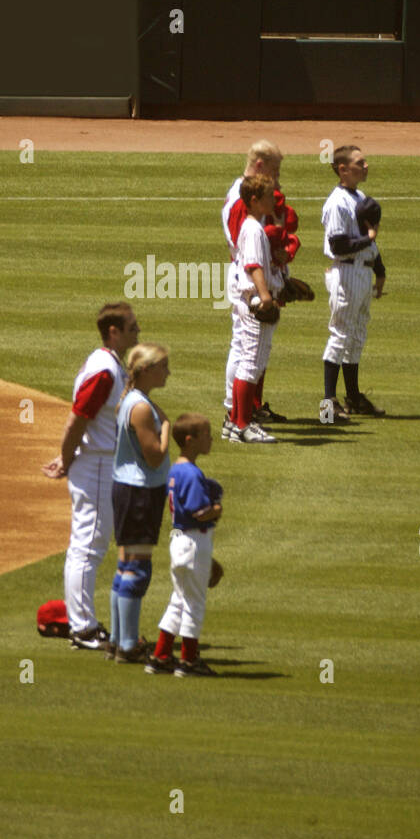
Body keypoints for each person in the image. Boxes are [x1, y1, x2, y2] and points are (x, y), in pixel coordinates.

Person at [41, 302, 140, 651]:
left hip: (97, 462)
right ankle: (82, 629)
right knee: (88, 547)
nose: (137, 333)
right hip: (96, 465)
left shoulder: (104, 363)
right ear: (113, 331)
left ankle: (83, 623)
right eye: (131, 327)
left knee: (86, 545)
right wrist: (66, 459)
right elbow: (77, 419)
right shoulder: (105, 371)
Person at [221, 139, 293, 431]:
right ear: (260, 166)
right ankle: (235, 412)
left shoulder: (248, 198)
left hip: (257, 279)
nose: (277, 179)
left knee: (254, 349)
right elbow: (248, 252)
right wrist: (266, 289)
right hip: (250, 283)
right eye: (274, 171)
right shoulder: (243, 202)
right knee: (244, 350)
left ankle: (248, 409)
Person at [144, 414, 222, 678]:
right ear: (190, 440)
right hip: (193, 539)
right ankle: (188, 661)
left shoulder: (176, 469)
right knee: (194, 603)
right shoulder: (191, 472)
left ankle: (161, 656)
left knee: (178, 601)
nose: (211, 438)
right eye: (206, 434)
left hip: (179, 541)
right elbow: (200, 512)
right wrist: (217, 508)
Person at [108, 342, 171, 665]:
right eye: (163, 366)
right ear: (146, 370)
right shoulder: (142, 408)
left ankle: (119, 640)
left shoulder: (133, 401)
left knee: (125, 564)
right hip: (140, 493)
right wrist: (168, 429)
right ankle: (128, 645)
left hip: (127, 489)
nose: (168, 372)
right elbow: (155, 454)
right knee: (138, 568)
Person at [321, 145, 386, 422]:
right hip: (346, 274)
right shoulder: (337, 202)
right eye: (360, 162)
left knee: (356, 335)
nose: (366, 165)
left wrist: (380, 270)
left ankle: (353, 398)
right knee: (340, 336)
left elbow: (368, 241)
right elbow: (337, 245)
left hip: (362, 272)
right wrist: (369, 238)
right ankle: (328, 405)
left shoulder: (358, 196)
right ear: (343, 169)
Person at [223, 173, 282, 444]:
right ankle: (243, 424)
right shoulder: (255, 229)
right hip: (256, 302)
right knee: (250, 364)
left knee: (251, 363)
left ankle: (234, 423)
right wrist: (266, 295)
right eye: (269, 196)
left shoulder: (251, 225)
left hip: (251, 300)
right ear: (255, 200)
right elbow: (253, 266)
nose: (274, 200)